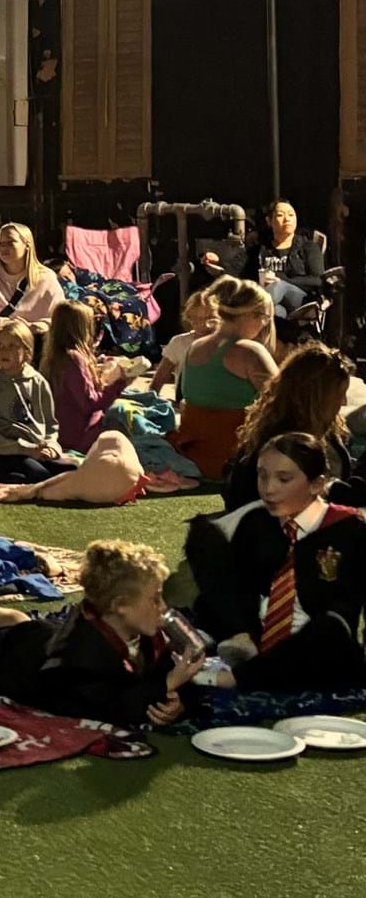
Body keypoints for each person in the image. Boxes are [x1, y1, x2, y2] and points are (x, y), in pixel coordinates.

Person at [0, 540, 199, 728]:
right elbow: (103, 706)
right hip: (24, 661)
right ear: (120, 607)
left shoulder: (141, 633)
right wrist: (167, 685)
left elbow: (147, 680)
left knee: (26, 627)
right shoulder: (82, 654)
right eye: (154, 599)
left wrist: (177, 700)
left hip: (44, 638)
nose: (163, 607)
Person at [184, 433, 366, 692]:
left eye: (284, 479)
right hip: (261, 639)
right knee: (206, 545)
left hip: (318, 649)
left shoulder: (349, 530)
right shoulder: (257, 521)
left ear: (316, 484)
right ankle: (240, 643)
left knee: (331, 628)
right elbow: (237, 583)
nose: (269, 489)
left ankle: (237, 678)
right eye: (262, 475)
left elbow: (344, 615)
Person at [218, 343, 359, 515]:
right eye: (339, 394)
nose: (343, 402)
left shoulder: (325, 432)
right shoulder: (283, 444)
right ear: (316, 397)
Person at [173, 276, 278, 479]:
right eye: (263, 316)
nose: (264, 324)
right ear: (250, 315)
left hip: (192, 455)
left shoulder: (195, 347)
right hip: (234, 459)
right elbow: (287, 402)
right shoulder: (249, 351)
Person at [0, 319, 65, 483]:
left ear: (27, 352)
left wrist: (50, 446)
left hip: (36, 448)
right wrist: (25, 449)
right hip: (1, 452)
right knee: (39, 476)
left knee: (69, 471)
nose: (4, 351)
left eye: (12, 346)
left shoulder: (38, 382)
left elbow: (50, 423)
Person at [39, 299, 128, 452]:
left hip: (61, 432)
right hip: (78, 435)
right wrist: (121, 383)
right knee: (126, 416)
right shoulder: (74, 359)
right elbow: (90, 404)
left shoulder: (52, 358)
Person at [0, 222, 65, 332]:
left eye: (10, 242)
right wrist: (8, 325)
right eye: (0, 244)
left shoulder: (46, 277)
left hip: (37, 340)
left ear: (27, 245)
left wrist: (39, 326)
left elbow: (59, 317)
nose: (4, 248)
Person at [240, 198, 326, 317]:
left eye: (291, 215)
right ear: (269, 221)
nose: (287, 219)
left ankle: (252, 316)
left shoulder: (308, 247)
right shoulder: (260, 250)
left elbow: (318, 280)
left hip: (301, 300)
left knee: (278, 286)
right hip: (273, 300)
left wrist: (282, 279)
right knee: (277, 311)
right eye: (280, 215)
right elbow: (240, 273)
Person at [150, 287, 217, 397]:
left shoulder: (229, 343)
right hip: (187, 404)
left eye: (209, 318)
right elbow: (159, 379)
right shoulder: (179, 342)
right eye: (195, 318)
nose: (202, 324)